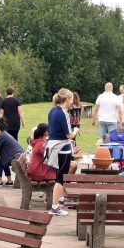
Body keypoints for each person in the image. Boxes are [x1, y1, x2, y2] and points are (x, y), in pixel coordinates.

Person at [45, 88, 79, 216]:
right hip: (62, 149)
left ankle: (59, 203)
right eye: (71, 99)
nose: (72, 102)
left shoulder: (52, 111)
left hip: (53, 147)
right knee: (60, 179)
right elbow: (69, 135)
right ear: (68, 99)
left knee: (59, 177)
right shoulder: (63, 113)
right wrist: (75, 130)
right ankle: (55, 207)